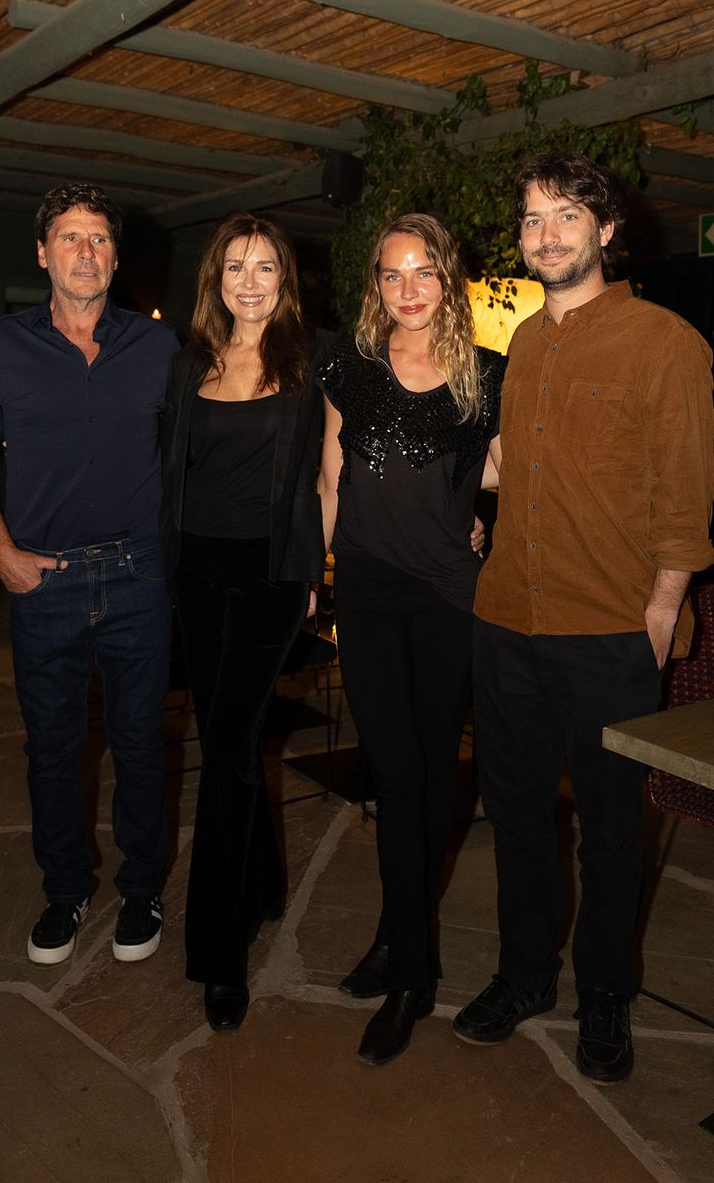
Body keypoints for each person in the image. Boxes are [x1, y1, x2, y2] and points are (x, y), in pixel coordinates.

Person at [453, 153, 714, 1083]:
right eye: (532, 219)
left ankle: (605, 992)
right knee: (516, 815)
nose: (546, 233)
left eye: (566, 216)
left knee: (610, 831)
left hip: (610, 628)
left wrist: (660, 613)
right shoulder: (523, 342)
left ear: (606, 229)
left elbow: (686, 502)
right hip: (507, 620)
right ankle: (525, 975)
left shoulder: (666, 343)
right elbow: (523, 473)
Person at [0, 183, 179, 965]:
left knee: (140, 743)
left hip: (138, 576)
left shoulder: (157, 348)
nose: (86, 252)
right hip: (41, 582)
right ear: (43, 252)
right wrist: (0, 553)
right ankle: (66, 889)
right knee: (50, 747)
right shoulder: (2, 349)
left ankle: (144, 886)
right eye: (70, 238)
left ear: (115, 257)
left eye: (99, 240)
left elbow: (196, 454)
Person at [317, 213, 505, 1065]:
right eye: (392, 274)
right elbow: (331, 476)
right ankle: (412, 973)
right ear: (376, 287)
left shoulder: (486, 380)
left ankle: (401, 940)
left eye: (423, 271)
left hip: (447, 599)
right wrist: (310, 581)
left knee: (432, 773)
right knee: (396, 775)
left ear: (449, 280)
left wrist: (479, 522)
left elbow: (510, 470)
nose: (408, 289)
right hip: (366, 590)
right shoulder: (347, 369)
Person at [159, 212, 330, 1033]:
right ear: (215, 278)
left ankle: (217, 950)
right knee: (236, 739)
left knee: (225, 743)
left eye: (265, 267)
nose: (251, 281)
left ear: (284, 278)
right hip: (197, 570)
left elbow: (334, 474)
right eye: (236, 266)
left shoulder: (314, 358)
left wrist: (312, 570)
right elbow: (169, 466)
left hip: (270, 575)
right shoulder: (190, 360)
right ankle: (261, 884)